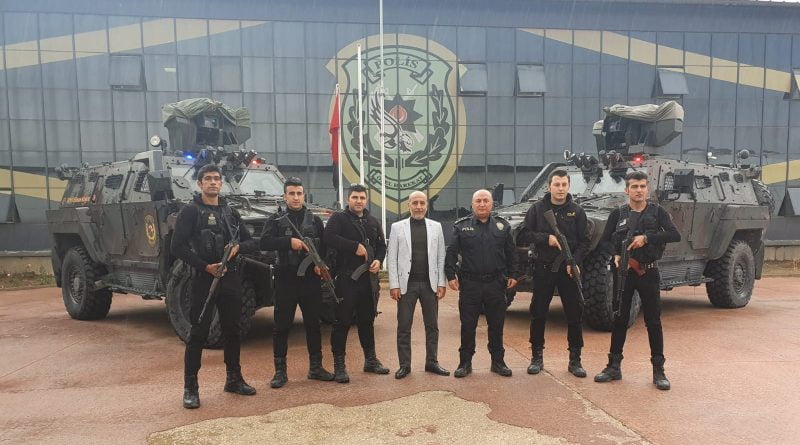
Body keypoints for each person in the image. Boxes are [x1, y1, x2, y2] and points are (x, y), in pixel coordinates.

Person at [171, 163, 257, 409]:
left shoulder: (230, 212)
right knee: (198, 333)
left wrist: (238, 247)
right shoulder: (190, 211)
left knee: (232, 330)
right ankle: (191, 388)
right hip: (204, 278)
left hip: (230, 277)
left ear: (221, 183)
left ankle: (234, 379)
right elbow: (177, 247)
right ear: (200, 183)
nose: (212, 182)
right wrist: (204, 266)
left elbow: (251, 242)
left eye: (216, 178)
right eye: (207, 178)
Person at [594, 171, 680, 390]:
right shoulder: (618, 214)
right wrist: (615, 254)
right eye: (634, 187)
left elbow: (674, 235)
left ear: (647, 189)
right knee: (620, 319)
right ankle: (613, 366)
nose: (639, 190)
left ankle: (658, 370)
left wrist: (647, 238)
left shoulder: (658, 212)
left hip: (648, 273)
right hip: (624, 273)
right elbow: (604, 241)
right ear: (627, 190)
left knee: (653, 321)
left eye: (642, 186)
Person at [259, 177, 335, 389]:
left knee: (313, 325)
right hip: (286, 278)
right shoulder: (276, 219)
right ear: (285, 196)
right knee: (282, 326)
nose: (295, 197)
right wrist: (288, 242)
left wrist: (322, 264)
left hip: (310, 280)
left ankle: (316, 367)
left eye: (299, 193)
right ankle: (280, 372)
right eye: (291, 193)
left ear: (304, 195)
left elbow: (325, 247)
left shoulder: (315, 220)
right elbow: (264, 242)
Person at [445, 189, 518, 378]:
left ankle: (498, 362)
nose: (482, 204)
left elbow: (511, 253)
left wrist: (513, 274)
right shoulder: (461, 227)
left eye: (486, 200)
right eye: (478, 201)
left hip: (496, 284)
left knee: (496, 325)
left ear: (492, 204)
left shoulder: (503, 227)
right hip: (470, 284)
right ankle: (465, 363)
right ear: (472, 204)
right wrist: (450, 275)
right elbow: (451, 252)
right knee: (468, 326)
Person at [524, 169, 590, 378]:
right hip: (544, 268)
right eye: (556, 184)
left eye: (564, 185)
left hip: (567, 270)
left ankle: (575, 359)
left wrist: (574, 261)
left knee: (574, 313)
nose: (560, 189)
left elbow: (584, 242)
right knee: (538, 313)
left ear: (568, 186)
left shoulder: (577, 211)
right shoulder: (537, 209)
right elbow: (524, 234)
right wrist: (546, 239)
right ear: (549, 186)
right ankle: (536, 357)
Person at [323, 184, 388, 383]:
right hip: (346, 279)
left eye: (362, 198)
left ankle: (370, 360)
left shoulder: (373, 221)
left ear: (366, 200)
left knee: (367, 320)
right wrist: (354, 247)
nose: (358, 201)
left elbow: (381, 245)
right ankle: (339, 365)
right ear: (348, 199)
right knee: (342, 322)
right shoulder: (338, 218)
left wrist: (378, 260)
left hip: (367, 280)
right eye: (355, 197)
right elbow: (328, 237)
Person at [386, 191, 450, 379]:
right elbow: (392, 258)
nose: (419, 207)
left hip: (430, 285)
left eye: (422, 203)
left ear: (427, 205)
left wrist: (441, 282)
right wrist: (394, 284)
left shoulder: (436, 227)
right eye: (415, 203)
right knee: (404, 326)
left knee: (432, 326)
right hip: (407, 286)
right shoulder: (397, 227)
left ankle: (432, 362)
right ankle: (404, 365)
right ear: (409, 205)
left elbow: (441, 256)